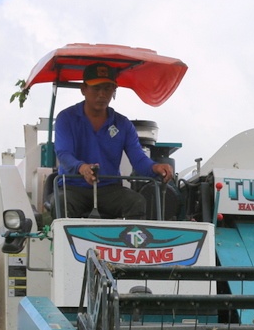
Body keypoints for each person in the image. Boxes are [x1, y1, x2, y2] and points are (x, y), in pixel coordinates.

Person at [53, 62, 176, 219]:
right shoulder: (66, 118)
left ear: (114, 91)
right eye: (96, 88)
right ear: (83, 89)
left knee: (136, 202)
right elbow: (63, 154)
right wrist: (82, 168)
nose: (102, 94)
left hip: (109, 188)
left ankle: (130, 243)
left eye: (107, 88)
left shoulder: (123, 124)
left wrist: (156, 167)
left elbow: (138, 159)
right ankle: (65, 244)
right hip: (73, 186)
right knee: (62, 202)